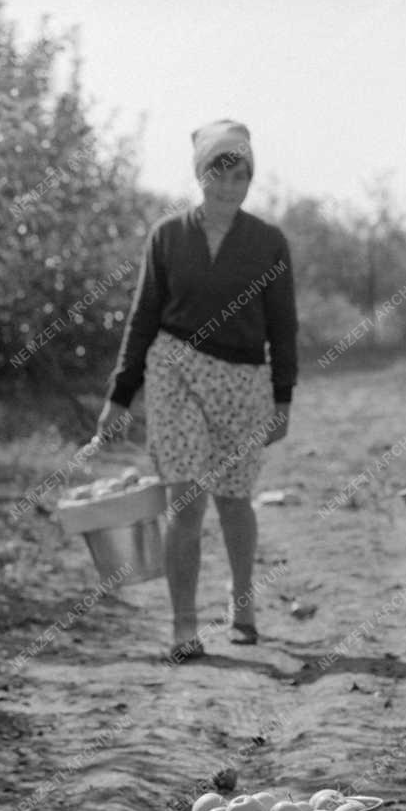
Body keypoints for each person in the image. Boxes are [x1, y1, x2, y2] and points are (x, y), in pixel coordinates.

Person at [93, 119, 298, 662]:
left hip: (243, 381)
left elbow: (283, 325)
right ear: (200, 174)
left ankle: (242, 600)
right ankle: (184, 625)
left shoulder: (268, 242)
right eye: (218, 173)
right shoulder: (168, 236)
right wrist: (120, 395)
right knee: (186, 501)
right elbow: (142, 318)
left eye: (240, 175)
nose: (229, 186)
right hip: (175, 371)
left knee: (233, 498)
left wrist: (284, 397)